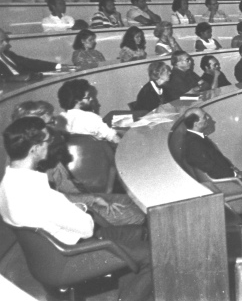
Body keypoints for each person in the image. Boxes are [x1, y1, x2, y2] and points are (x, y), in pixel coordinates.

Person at [0, 117, 154, 301]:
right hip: (68, 256)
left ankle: (128, 288)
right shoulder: (39, 194)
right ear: (34, 149)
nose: (51, 144)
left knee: (140, 233)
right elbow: (87, 229)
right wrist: (81, 207)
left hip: (46, 258)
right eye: (47, 141)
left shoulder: (7, 184)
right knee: (155, 255)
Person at [12, 101, 145, 227]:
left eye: (52, 122)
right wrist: (93, 202)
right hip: (76, 210)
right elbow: (60, 203)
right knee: (140, 215)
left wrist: (94, 198)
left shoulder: (44, 151)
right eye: (48, 124)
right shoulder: (31, 166)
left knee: (140, 202)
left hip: (83, 198)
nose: (54, 127)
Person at [182, 108, 242, 221]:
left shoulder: (195, 137)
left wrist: (234, 170)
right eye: (204, 117)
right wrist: (234, 175)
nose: (208, 118)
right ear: (196, 123)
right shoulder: (194, 145)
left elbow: (217, 161)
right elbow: (212, 170)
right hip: (225, 181)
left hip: (227, 173)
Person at [57, 79, 120, 144]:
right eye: (88, 97)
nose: (91, 99)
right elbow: (114, 138)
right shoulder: (91, 117)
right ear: (77, 100)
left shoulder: (60, 120)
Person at [0, 28, 76, 82]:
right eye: (1, 41)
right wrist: (15, 78)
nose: (6, 43)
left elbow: (31, 63)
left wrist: (59, 66)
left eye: (6, 40)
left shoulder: (8, 54)